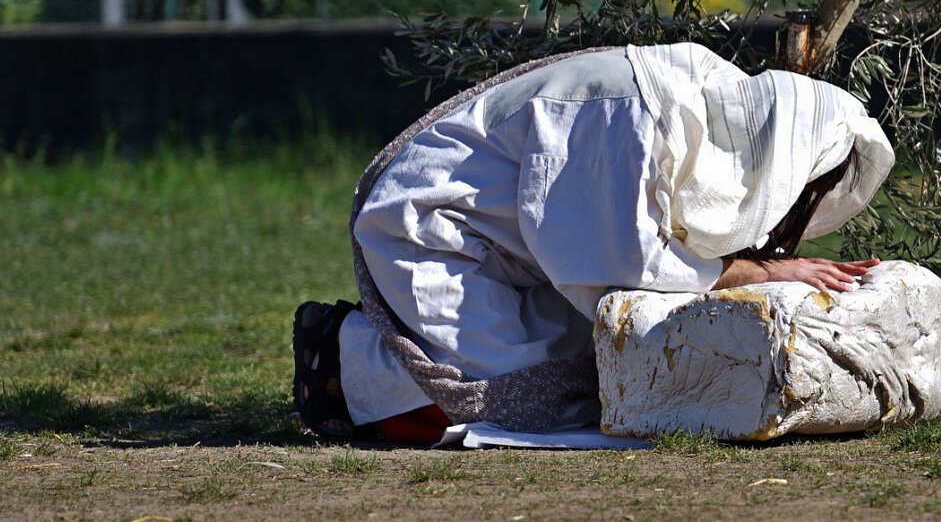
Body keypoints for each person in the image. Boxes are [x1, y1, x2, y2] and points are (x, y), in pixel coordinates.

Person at [291, 42, 895, 448]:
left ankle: (358, 355)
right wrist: (759, 273)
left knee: (591, 367)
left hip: (517, 255)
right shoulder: (632, 114)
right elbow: (625, 259)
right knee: (520, 397)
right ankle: (341, 360)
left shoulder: (702, 99)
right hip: (433, 233)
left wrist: (765, 268)